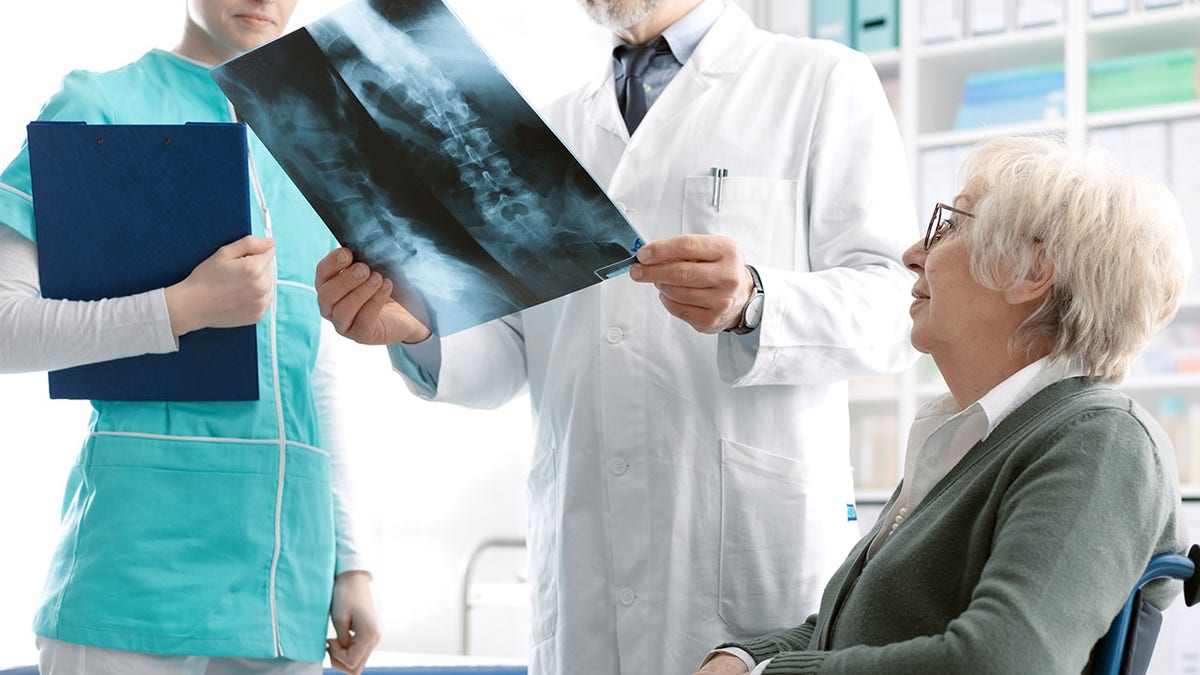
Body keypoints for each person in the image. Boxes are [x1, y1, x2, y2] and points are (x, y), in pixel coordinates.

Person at [315, 0, 916, 672]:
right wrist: (421, 330)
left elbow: (898, 305)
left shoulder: (819, 82)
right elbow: (512, 353)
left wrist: (755, 299)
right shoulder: (548, 125)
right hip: (585, 577)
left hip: (749, 577)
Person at [695, 135, 1191, 675]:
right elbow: (857, 628)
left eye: (949, 226)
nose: (912, 257)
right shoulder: (971, 436)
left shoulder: (1101, 442)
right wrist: (745, 659)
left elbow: (1004, 662)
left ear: (1030, 271)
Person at [0, 1, 379, 673]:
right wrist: (183, 306)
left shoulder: (315, 136)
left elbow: (308, 366)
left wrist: (352, 561)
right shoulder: (97, 106)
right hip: (133, 577)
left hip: (283, 581)